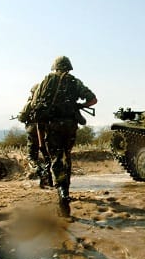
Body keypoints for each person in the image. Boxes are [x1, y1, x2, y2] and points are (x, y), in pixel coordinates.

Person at [30, 55, 97, 218]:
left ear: (55, 67)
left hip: (52, 126)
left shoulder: (46, 81)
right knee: (66, 155)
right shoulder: (75, 82)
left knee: (56, 159)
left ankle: (62, 191)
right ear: (69, 67)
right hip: (70, 126)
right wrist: (79, 105)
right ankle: (65, 187)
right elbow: (93, 100)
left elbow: (34, 105)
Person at [18, 83, 52, 188]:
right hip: (48, 132)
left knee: (32, 157)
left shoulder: (31, 103)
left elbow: (22, 117)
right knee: (47, 157)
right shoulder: (50, 103)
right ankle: (49, 180)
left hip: (34, 132)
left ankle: (41, 172)